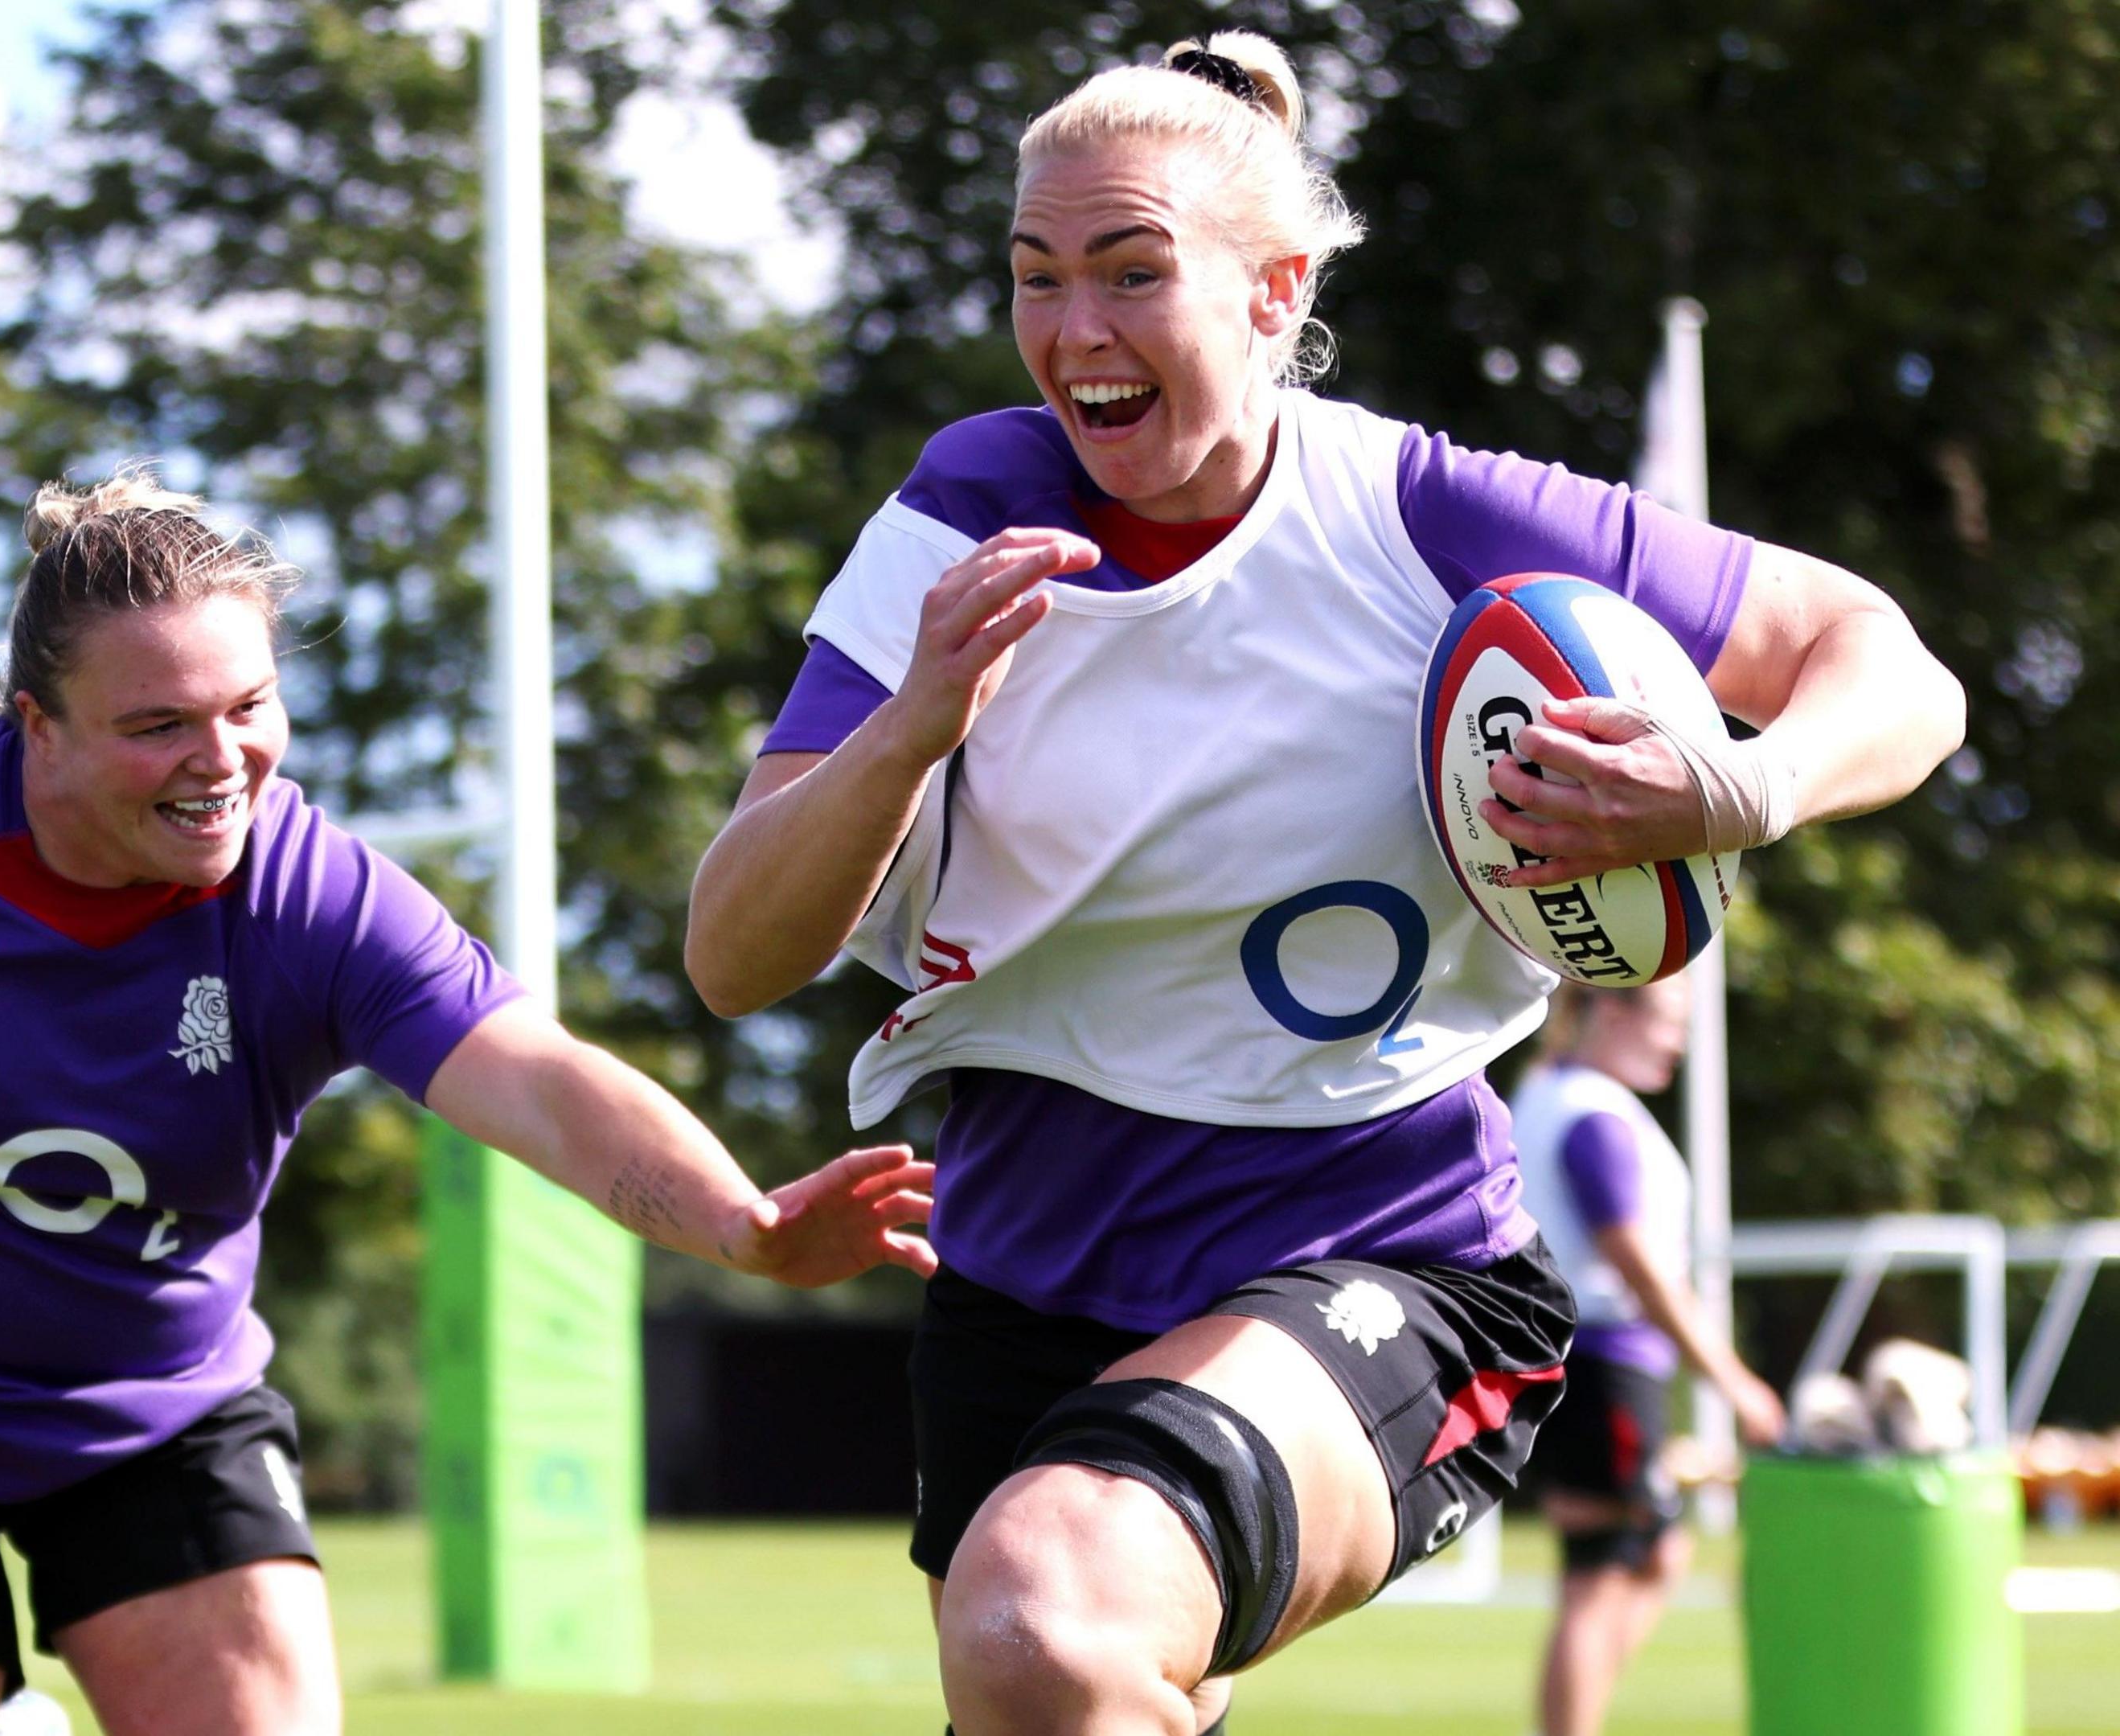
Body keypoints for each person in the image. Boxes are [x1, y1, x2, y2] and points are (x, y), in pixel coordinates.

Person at [681, 30, 1964, 1736]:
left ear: (1278, 293)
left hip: (1382, 1253)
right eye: (1036, 278)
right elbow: (734, 948)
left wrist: (1744, 779)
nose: (1076, 333)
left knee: (1044, 1614)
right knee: (1059, 1670)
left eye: (1135, 273)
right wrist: (911, 724)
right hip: (1021, 1267)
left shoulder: (1426, 515)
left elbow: (1892, 665)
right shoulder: (968, 508)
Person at [0, 470, 938, 1736]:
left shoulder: (313, 897)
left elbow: (538, 1081)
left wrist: (741, 1224)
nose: (222, 759)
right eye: (158, 723)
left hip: (153, 1417)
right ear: (34, 726)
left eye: (251, 707)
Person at [1511, 979, 1785, 1736]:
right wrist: (1731, 1380)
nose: (1678, 1042)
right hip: (1600, 1362)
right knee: (1597, 1575)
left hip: (1588, 1362)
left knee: (1656, 1552)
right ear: (1611, 1008)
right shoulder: (1591, 1112)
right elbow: (1633, 1258)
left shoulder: (1550, 1092)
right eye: (1669, 1022)